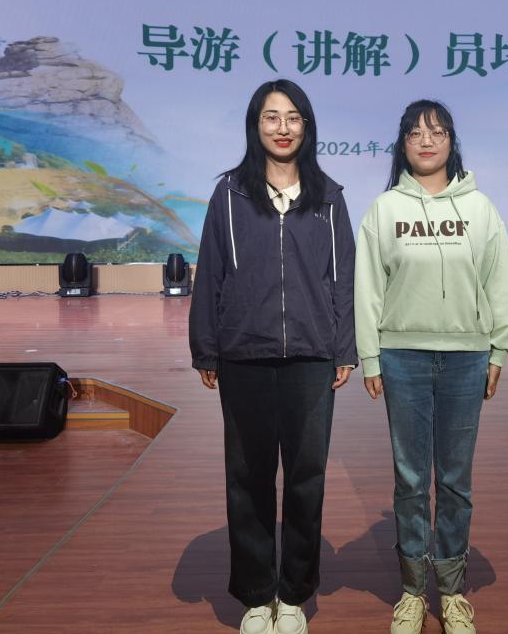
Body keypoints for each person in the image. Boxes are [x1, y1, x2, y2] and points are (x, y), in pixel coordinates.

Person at [190, 79, 356, 634]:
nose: (282, 128)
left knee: (307, 478)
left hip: (311, 356)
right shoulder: (230, 194)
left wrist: (344, 346)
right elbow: (211, 270)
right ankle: (257, 596)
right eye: (271, 117)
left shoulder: (328, 197)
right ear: (255, 124)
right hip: (245, 354)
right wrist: (206, 345)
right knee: (248, 478)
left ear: (306, 125)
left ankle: (294, 595)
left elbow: (344, 279)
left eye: (292, 117)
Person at [354, 100, 508, 634]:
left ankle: (451, 591)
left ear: (452, 142)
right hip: (402, 357)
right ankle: (410, 590)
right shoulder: (384, 210)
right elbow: (367, 287)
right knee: (409, 478)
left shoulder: (481, 209)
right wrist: (370, 355)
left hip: (467, 357)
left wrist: (498, 349)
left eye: (438, 132)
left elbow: (497, 280)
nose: (427, 141)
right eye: (416, 133)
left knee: (455, 479)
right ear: (402, 143)